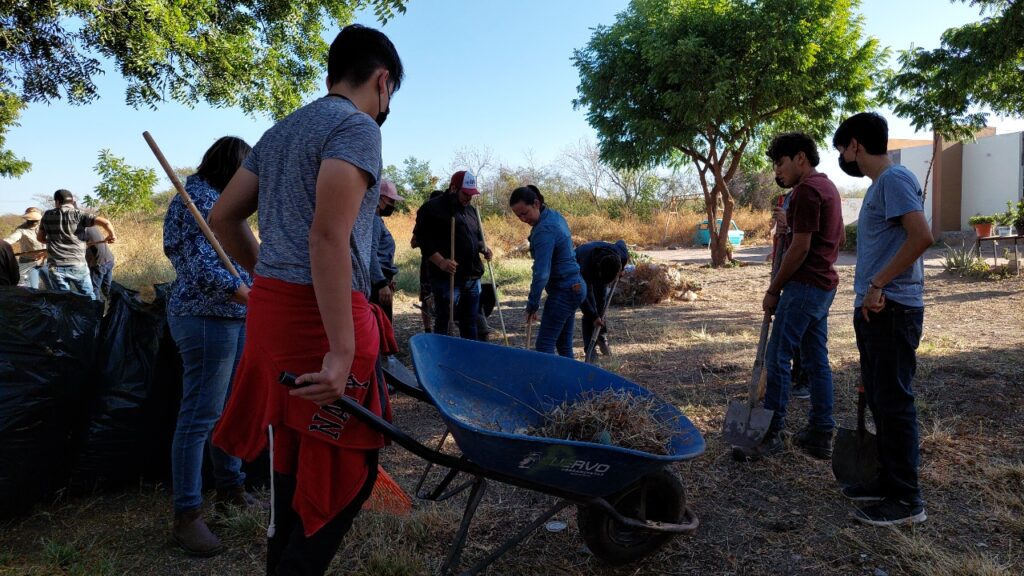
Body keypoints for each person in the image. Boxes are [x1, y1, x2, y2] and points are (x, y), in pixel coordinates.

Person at [209, 24, 403, 576]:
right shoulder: (357, 126)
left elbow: (223, 217)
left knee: (293, 454)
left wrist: (270, 274)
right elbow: (328, 236)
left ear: (330, 75)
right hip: (323, 322)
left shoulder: (281, 130)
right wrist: (342, 352)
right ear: (383, 82)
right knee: (347, 473)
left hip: (274, 313)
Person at [833, 112, 932, 527]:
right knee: (880, 399)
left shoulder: (894, 180)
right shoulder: (881, 185)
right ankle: (886, 482)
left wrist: (878, 284)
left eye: (842, 149)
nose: (843, 158)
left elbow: (922, 236)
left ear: (856, 144)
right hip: (875, 310)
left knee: (893, 404)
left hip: (891, 309)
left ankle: (908, 501)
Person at [163, 136, 257, 557]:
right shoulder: (194, 199)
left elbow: (239, 257)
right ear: (231, 168)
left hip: (233, 317)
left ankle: (231, 487)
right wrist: (250, 296)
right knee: (201, 414)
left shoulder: (220, 199)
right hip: (204, 318)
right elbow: (202, 269)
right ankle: (187, 515)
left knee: (229, 407)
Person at [736, 132, 843, 462]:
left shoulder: (808, 191)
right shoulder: (826, 187)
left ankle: (772, 433)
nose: (776, 172)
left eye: (780, 163)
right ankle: (821, 432)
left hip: (805, 286)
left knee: (777, 357)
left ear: (800, 158)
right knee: (814, 360)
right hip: (822, 286)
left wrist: (773, 290)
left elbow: (800, 248)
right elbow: (801, 237)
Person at [413, 171, 492, 338]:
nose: (469, 198)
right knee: (444, 320)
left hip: (472, 277)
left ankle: (467, 358)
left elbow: (475, 238)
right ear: (453, 188)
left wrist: (483, 247)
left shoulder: (470, 211)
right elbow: (422, 240)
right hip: (446, 278)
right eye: (466, 194)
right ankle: (443, 356)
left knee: (470, 321)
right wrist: (441, 261)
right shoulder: (431, 209)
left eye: (472, 194)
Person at [509, 185, 586, 358]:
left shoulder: (544, 229)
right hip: (575, 286)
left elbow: (542, 273)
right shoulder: (554, 216)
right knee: (563, 344)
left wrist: (532, 303)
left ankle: (546, 384)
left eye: (524, 212)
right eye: (518, 215)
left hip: (565, 290)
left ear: (536, 203)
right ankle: (571, 383)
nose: (522, 218)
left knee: (544, 345)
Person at [38, 190, 116, 299]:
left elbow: (40, 238)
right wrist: (112, 235)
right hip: (78, 264)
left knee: (63, 300)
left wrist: (54, 241)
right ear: (72, 201)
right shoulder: (79, 215)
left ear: (57, 202)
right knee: (89, 297)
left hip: (56, 266)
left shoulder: (47, 215)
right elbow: (106, 222)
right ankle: (93, 315)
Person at [575, 239, 628, 363]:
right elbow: (583, 299)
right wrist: (593, 316)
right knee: (591, 312)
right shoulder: (584, 268)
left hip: (602, 263)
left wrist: (622, 269)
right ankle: (590, 350)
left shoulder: (622, 255)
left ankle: (602, 338)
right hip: (584, 261)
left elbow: (621, 241)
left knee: (601, 305)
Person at [411, 190, 445, 333]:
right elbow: (413, 242)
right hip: (428, 265)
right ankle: (428, 329)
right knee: (426, 297)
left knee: (443, 297)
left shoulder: (447, 218)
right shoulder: (424, 220)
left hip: (445, 265)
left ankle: (442, 327)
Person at [369, 179, 401, 320]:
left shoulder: (378, 221)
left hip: (381, 280)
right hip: (377, 284)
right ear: (379, 198)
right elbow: (371, 253)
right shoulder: (375, 221)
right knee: (382, 326)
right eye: (390, 201)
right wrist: (381, 283)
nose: (393, 206)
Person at [4, 207, 47, 288]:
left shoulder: (44, 226)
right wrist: (2, 244)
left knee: (52, 286)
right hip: (28, 262)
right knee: (32, 288)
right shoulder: (21, 230)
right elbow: (10, 239)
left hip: (45, 261)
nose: (34, 222)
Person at [84, 225, 116, 304]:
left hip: (98, 263)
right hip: (109, 259)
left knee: (94, 289)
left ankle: (97, 310)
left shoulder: (79, 229)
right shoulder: (92, 226)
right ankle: (113, 305)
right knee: (107, 287)